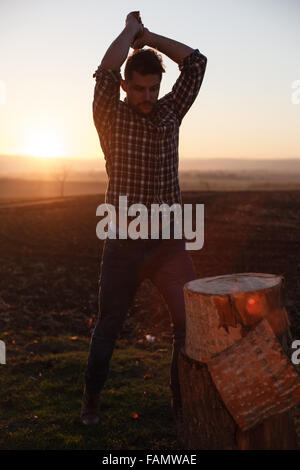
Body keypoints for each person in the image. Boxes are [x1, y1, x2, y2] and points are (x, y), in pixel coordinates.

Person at [81, 11, 207, 440]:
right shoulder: (110, 117)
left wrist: (150, 36)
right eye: (139, 88)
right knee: (109, 325)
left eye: (153, 88)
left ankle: (179, 402)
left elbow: (196, 64)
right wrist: (128, 33)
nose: (148, 96)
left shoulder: (172, 110)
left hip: (170, 243)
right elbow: (104, 70)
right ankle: (91, 399)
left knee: (189, 325)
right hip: (123, 243)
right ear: (125, 87)